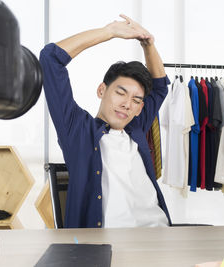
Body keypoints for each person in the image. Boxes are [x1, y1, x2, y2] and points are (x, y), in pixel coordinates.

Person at [40, 14, 171, 228]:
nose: (127, 104)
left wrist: (148, 43)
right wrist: (109, 32)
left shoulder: (136, 126)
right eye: (121, 93)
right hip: (110, 247)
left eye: (136, 100)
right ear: (102, 90)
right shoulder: (78, 130)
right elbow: (50, 59)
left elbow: (160, 87)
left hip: (160, 235)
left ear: (140, 108)